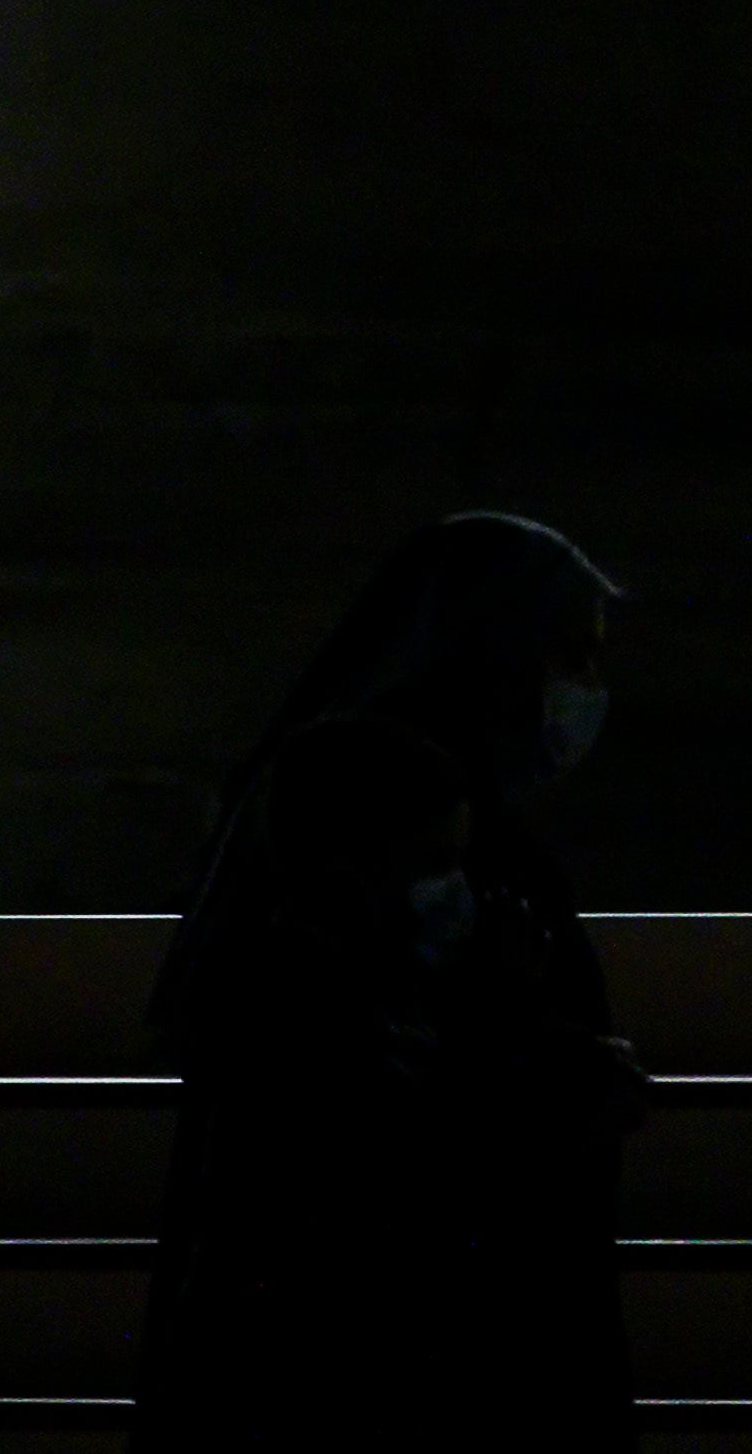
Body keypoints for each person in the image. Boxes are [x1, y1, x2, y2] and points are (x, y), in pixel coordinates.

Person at [134, 512, 645, 1453]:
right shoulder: (374, 816)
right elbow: (364, 1096)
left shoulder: (392, 809)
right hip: (389, 1331)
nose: (584, 690)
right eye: (568, 654)